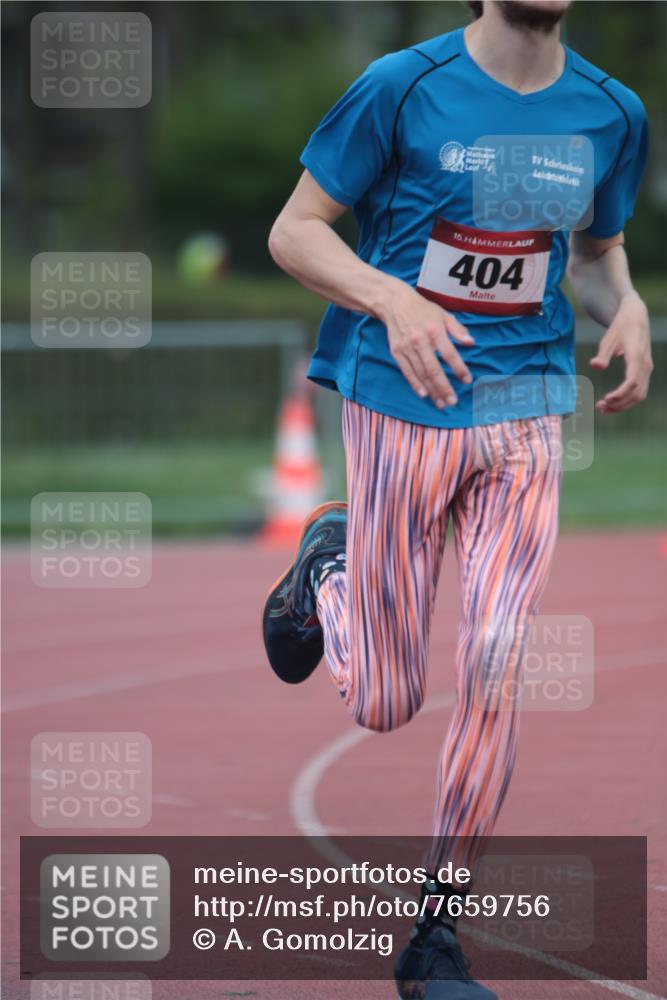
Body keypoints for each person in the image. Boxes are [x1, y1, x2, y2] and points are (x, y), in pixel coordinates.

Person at [262, 1, 652, 996]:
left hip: (527, 411)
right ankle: (328, 571)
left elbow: (594, 252)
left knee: (496, 664)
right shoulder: (402, 88)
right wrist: (390, 297)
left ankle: (434, 935)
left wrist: (628, 306)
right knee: (384, 699)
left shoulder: (611, 111)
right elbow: (295, 231)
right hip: (405, 404)